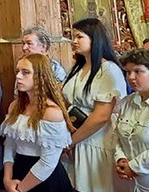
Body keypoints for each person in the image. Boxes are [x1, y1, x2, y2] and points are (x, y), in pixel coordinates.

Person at [61, 18, 128, 192]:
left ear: (95, 39)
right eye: (72, 37)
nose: (73, 41)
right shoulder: (78, 67)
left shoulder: (108, 69)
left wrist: (70, 141)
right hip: (76, 135)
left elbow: (101, 116)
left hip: (96, 139)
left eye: (79, 37)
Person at [1, 54, 74, 192]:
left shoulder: (51, 112)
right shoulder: (15, 107)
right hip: (19, 172)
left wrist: (21, 189)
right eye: (17, 71)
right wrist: (7, 179)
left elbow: (48, 162)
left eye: (26, 72)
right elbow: (9, 146)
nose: (18, 76)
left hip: (45, 180)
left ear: (40, 76)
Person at [114, 48, 149, 191]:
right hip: (129, 180)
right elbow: (116, 135)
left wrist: (134, 166)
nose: (131, 77)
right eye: (128, 72)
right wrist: (121, 159)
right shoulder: (127, 102)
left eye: (138, 71)